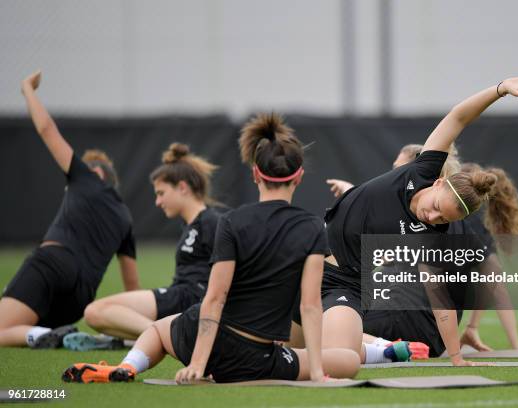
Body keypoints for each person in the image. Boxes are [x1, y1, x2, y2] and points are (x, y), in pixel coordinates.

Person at [62, 113, 360, 384]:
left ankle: (129, 367)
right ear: (299, 177)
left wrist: (197, 363)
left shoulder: (230, 221)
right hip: (258, 359)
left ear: (256, 174)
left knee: (158, 330)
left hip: (207, 342)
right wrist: (318, 373)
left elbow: (215, 298)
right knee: (348, 359)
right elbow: (310, 305)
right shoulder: (310, 228)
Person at [314, 76, 518, 367]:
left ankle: (381, 349)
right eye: (436, 207)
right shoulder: (422, 170)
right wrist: (499, 90)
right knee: (278, 333)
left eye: (443, 218)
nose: (433, 217)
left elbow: (441, 302)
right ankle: (380, 348)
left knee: (334, 359)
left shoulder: (432, 233)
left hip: (343, 284)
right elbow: (457, 117)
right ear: (438, 183)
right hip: (311, 261)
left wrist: (456, 357)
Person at [0, 70, 138, 348]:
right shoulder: (125, 217)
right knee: (22, 319)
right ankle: (52, 332)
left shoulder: (85, 178)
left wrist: (28, 89)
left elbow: (47, 129)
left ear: (97, 172)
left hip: (52, 264)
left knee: (4, 328)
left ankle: (41, 334)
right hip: (79, 298)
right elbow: (133, 286)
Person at [63, 143, 221, 350]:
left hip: (189, 299)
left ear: (182, 188)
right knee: (98, 317)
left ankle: (163, 334)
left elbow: (231, 269)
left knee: (95, 312)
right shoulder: (191, 225)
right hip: (179, 297)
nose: (157, 201)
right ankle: (135, 338)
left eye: (161, 193)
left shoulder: (211, 221)